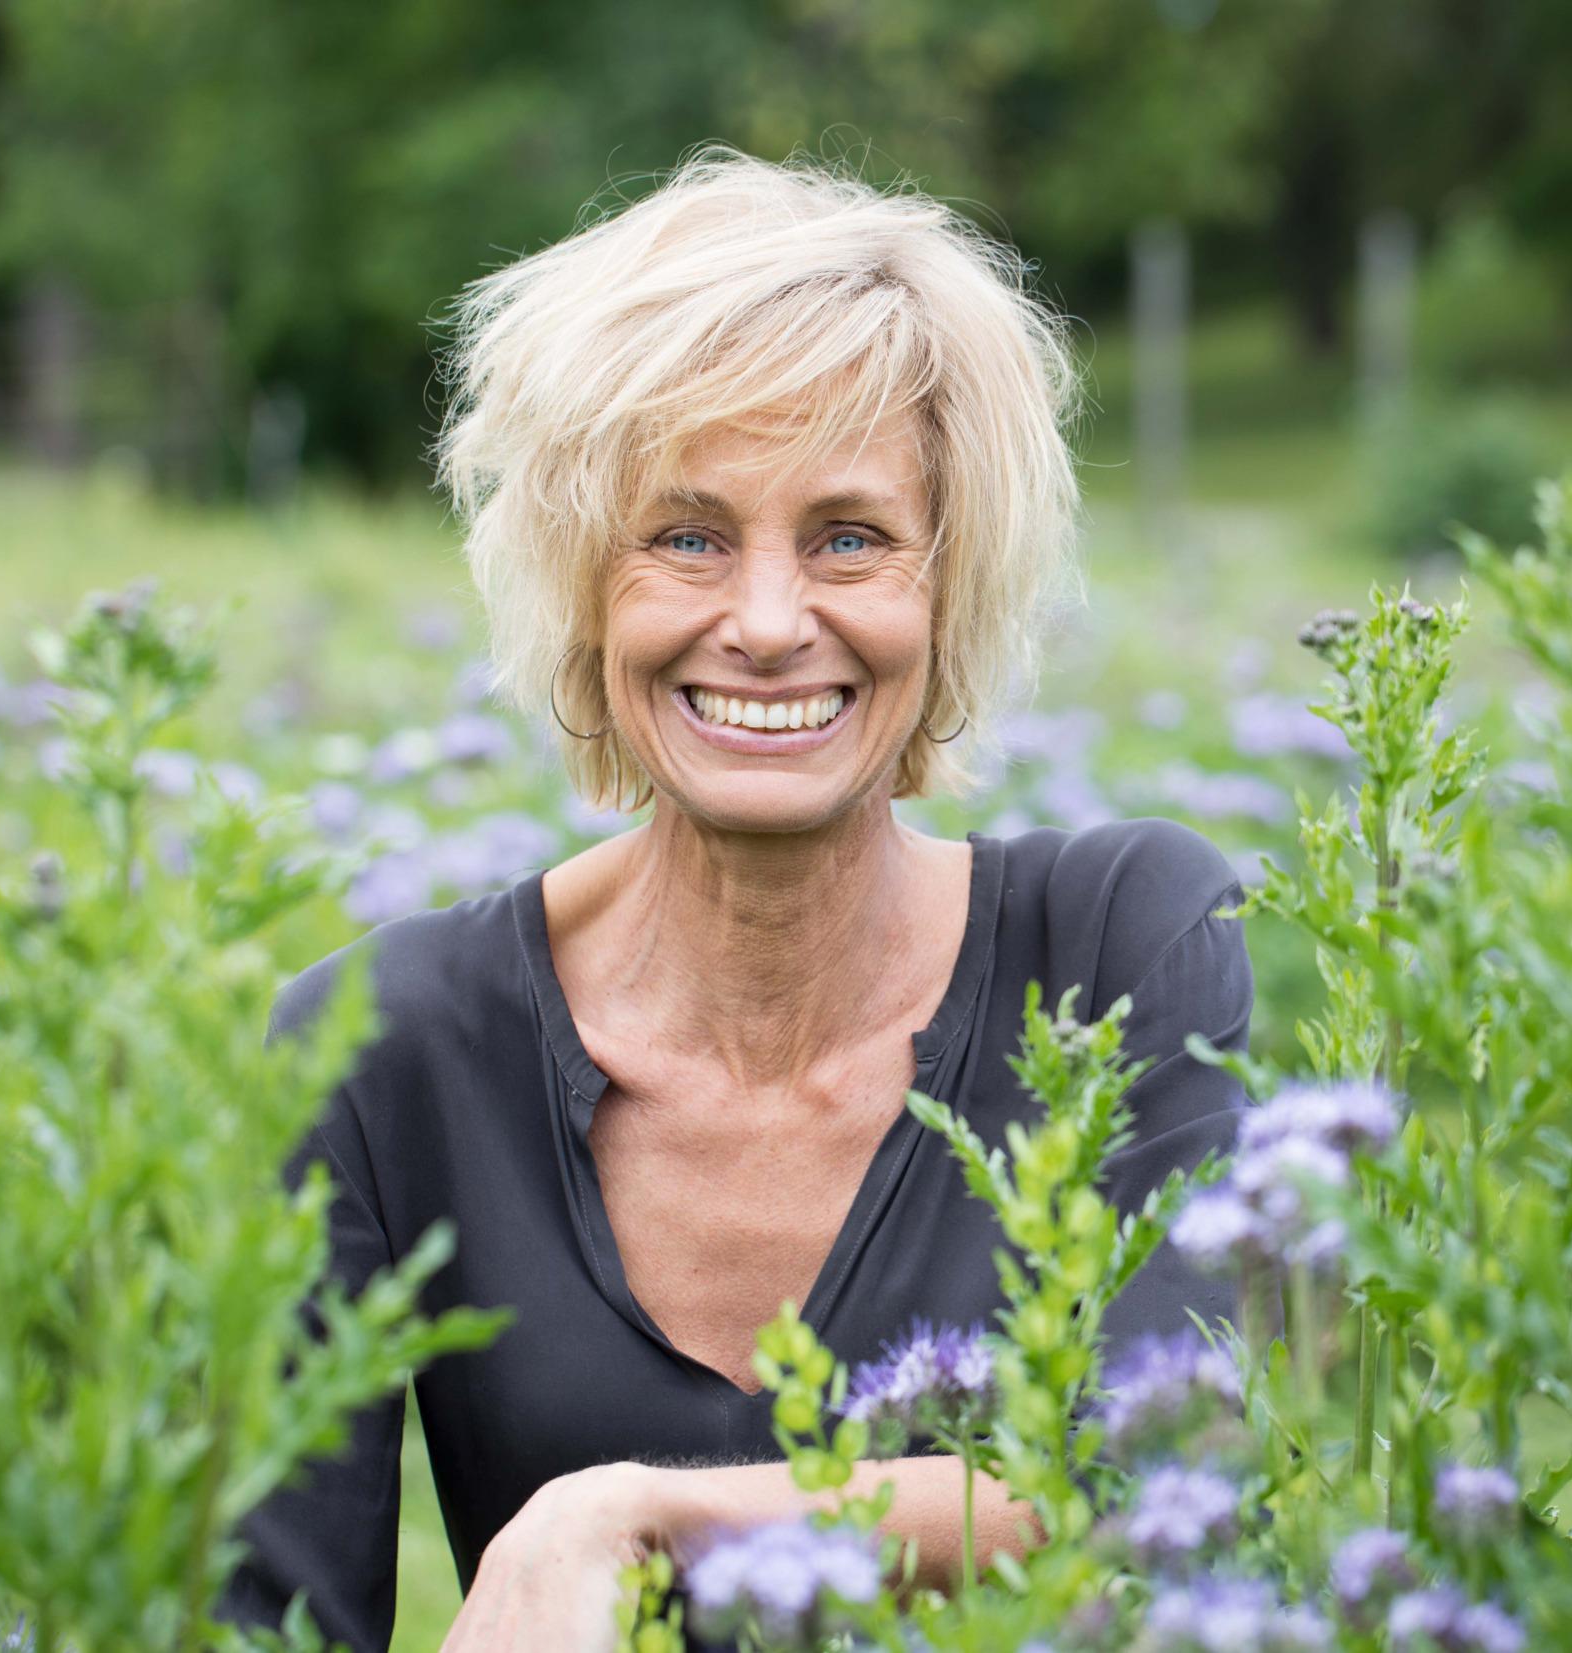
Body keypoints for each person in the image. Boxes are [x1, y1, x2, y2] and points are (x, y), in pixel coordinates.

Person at [217, 146, 1254, 1653]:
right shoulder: (373, 1049)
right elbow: (262, 1625)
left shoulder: (1121, 944)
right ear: (582, 583)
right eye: (687, 536)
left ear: (946, 590)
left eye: (850, 536)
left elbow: (1169, 1484)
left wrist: (632, 1513)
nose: (768, 623)